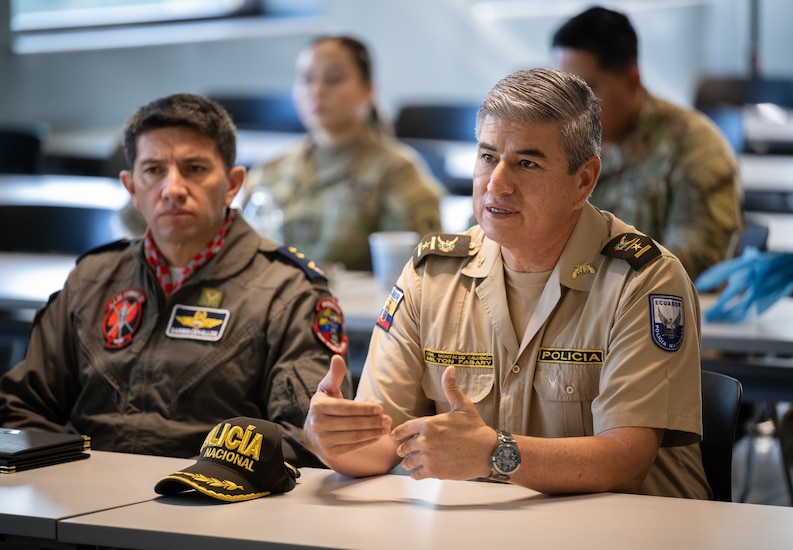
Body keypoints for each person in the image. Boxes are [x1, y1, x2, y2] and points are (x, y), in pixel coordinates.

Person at [303, 68, 712, 499]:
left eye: (527, 163)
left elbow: (626, 461)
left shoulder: (644, 280)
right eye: (487, 157)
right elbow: (379, 444)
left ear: (584, 180)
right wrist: (332, 437)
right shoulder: (432, 275)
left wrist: (495, 454)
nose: (497, 183)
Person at [0, 93, 351, 466]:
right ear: (132, 188)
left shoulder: (289, 291)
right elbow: (20, 412)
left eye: (194, 169)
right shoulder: (93, 278)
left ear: (232, 183)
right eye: (154, 170)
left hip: (219, 505)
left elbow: (309, 439)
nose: (173, 189)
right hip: (82, 497)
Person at [550, 6, 743, 282]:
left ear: (632, 81)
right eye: (564, 90)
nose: (571, 106)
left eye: (587, 90)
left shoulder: (695, 147)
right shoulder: (556, 140)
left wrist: (579, 271)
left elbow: (697, 261)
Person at [242, 34, 445, 271]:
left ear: (368, 90)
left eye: (333, 79)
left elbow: (422, 272)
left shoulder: (397, 173)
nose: (317, 91)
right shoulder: (271, 170)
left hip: (362, 307)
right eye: (306, 80)